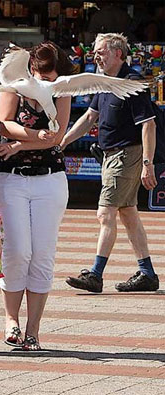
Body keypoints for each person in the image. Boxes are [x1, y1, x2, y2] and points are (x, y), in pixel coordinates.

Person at [61, 33, 159, 293]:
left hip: (127, 154)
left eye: (101, 51)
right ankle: (147, 273)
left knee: (105, 213)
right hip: (110, 156)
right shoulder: (105, 83)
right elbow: (89, 118)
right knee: (128, 214)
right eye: (95, 51)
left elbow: (148, 125)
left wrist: (147, 163)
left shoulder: (132, 83)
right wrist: (61, 142)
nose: (96, 56)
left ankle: (95, 274)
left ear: (118, 54)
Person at [0, 41, 73, 351]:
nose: (45, 83)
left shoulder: (62, 91)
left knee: (42, 254)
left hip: (50, 180)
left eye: (50, 77)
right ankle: (10, 319)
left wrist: (21, 144)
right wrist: (33, 138)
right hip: (11, 179)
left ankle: (33, 330)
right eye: (40, 75)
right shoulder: (15, 84)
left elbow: (58, 137)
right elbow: (4, 124)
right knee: (17, 251)